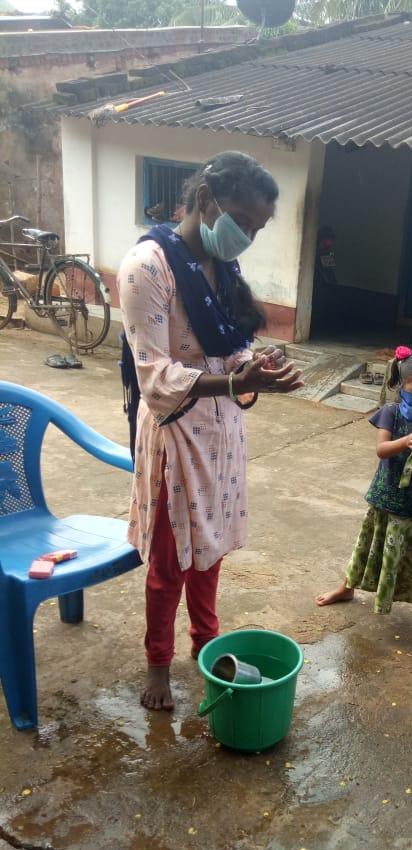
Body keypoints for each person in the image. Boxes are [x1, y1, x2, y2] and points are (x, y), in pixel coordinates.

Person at [118, 151, 303, 712]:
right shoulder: (147, 267)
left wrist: (259, 366)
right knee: (171, 560)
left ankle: (208, 647)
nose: (246, 235)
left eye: (257, 228)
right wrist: (232, 382)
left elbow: (230, 348)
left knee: (210, 551)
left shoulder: (223, 268)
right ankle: (158, 664)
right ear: (205, 200)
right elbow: (154, 377)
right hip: (177, 431)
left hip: (221, 435)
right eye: (242, 221)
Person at [316, 346, 412, 649]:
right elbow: (382, 450)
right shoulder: (390, 413)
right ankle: (347, 588)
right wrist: (406, 441)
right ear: (400, 385)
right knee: (368, 545)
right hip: (387, 497)